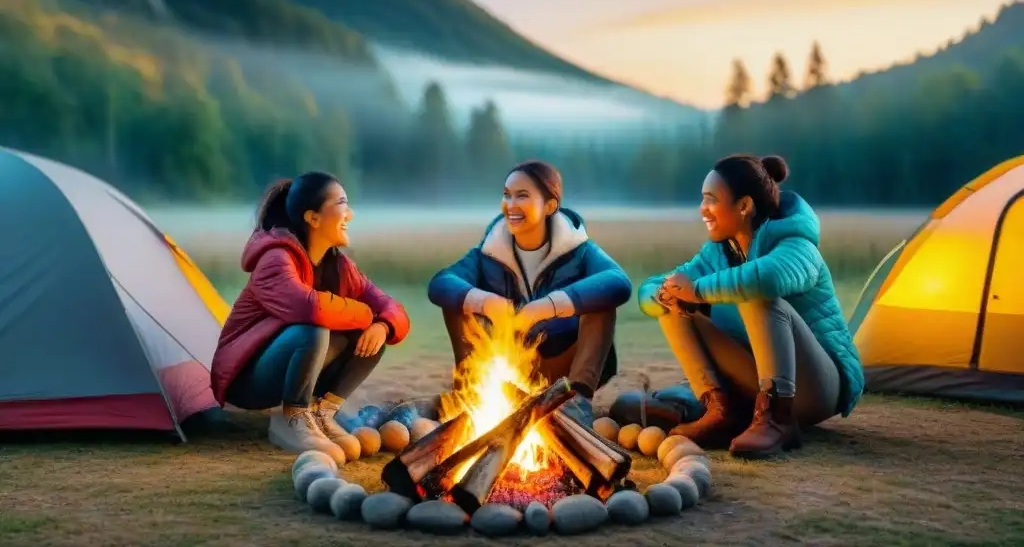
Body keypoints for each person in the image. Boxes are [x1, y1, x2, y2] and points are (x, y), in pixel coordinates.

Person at [637, 154, 863, 459]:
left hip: (817, 388)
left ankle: (777, 418)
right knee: (675, 301)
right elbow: (653, 286)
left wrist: (699, 291)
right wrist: (662, 295)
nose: (703, 209)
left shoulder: (797, 245)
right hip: (756, 373)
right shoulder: (719, 251)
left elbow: (767, 278)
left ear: (744, 206)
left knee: (756, 294)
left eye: (711, 200)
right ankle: (718, 410)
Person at [210, 172, 410, 460]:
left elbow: (393, 310)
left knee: (375, 335)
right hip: (249, 380)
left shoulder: (339, 266)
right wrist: (368, 314)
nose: (349, 214)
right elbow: (309, 308)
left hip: (295, 364)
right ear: (313, 218)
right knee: (313, 329)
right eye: (341, 203)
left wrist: (383, 325)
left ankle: (322, 412)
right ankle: (294, 416)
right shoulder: (275, 260)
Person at [428, 160, 633, 426]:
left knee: (602, 301)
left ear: (549, 205)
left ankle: (577, 401)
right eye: (506, 195)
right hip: (507, 361)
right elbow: (441, 282)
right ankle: (472, 392)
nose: (510, 205)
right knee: (458, 299)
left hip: (562, 365)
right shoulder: (488, 253)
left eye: (522, 196)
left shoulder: (579, 250)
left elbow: (618, 282)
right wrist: (486, 301)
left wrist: (547, 306)